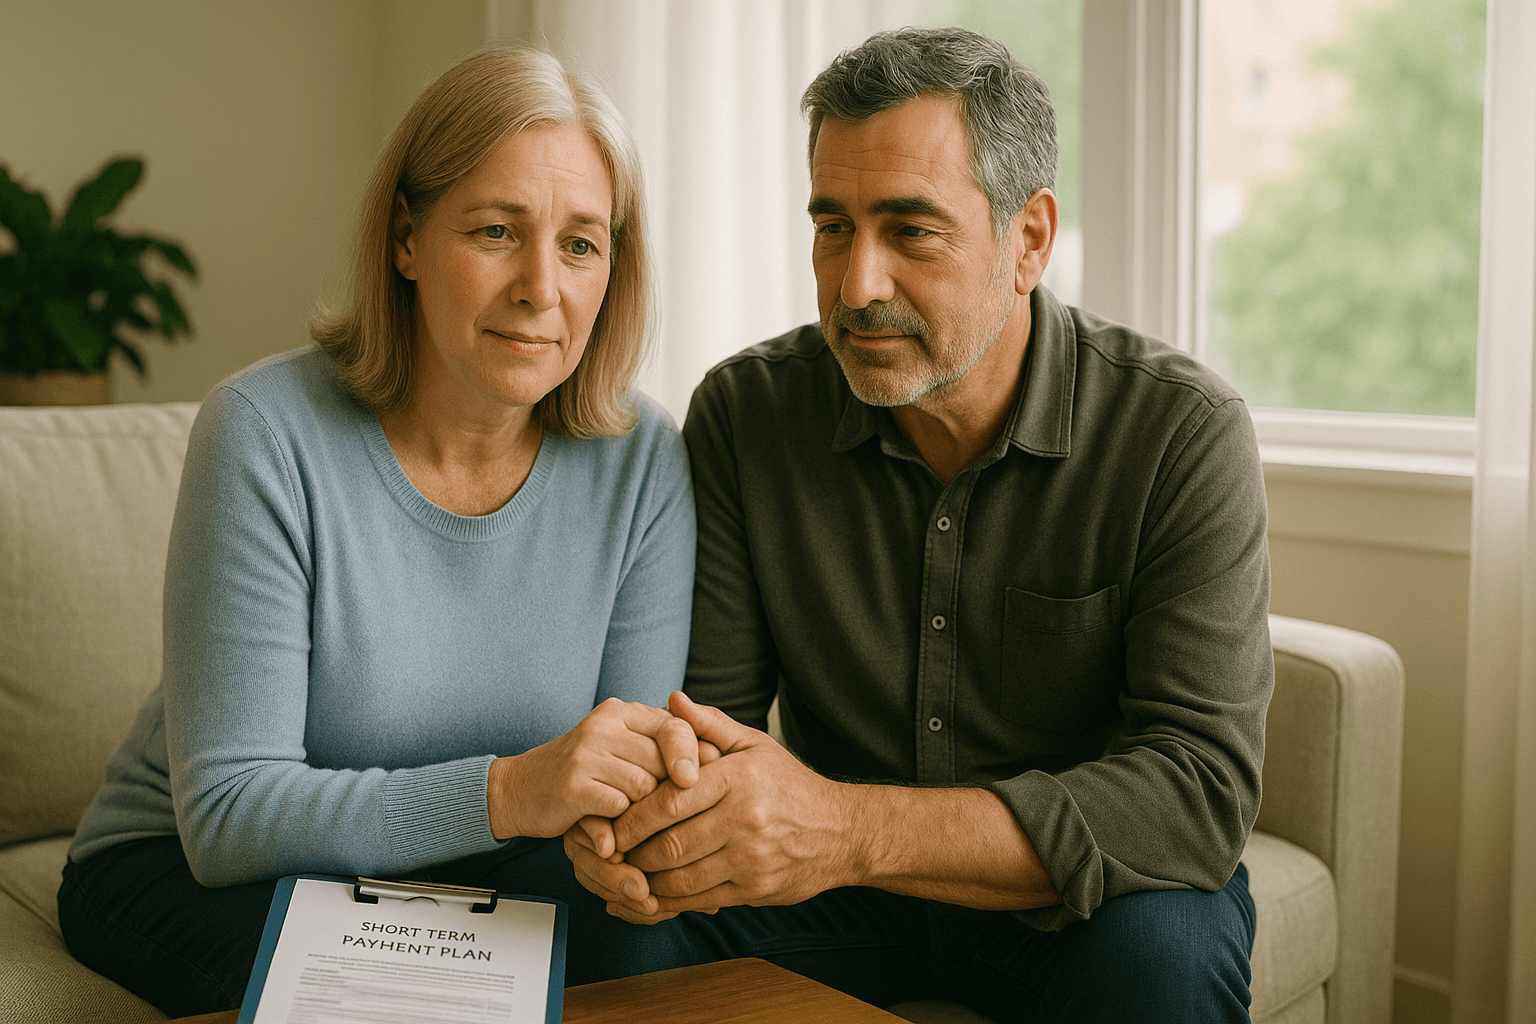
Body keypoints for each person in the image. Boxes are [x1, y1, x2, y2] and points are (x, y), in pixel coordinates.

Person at [566, 26, 1271, 1023]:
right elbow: (709, 721)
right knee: (603, 924)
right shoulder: (747, 413)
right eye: (833, 227)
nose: (857, 287)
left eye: (911, 231)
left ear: (1027, 240)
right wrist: (659, 830)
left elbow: (1194, 795)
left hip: (1073, 902)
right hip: (826, 901)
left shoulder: (1179, 433)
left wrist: (847, 828)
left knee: (1165, 960)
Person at [58, 45, 711, 1017]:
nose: (543, 286)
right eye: (497, 230)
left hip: (487, 867)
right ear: (407, 237)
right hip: (193, 870)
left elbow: (614, 778)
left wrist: (631, 838)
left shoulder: (643, 456)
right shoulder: (264, 432)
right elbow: (229, 815)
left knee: (672, 957)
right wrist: (509, 790)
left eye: (581, 243)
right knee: (394, 1000)